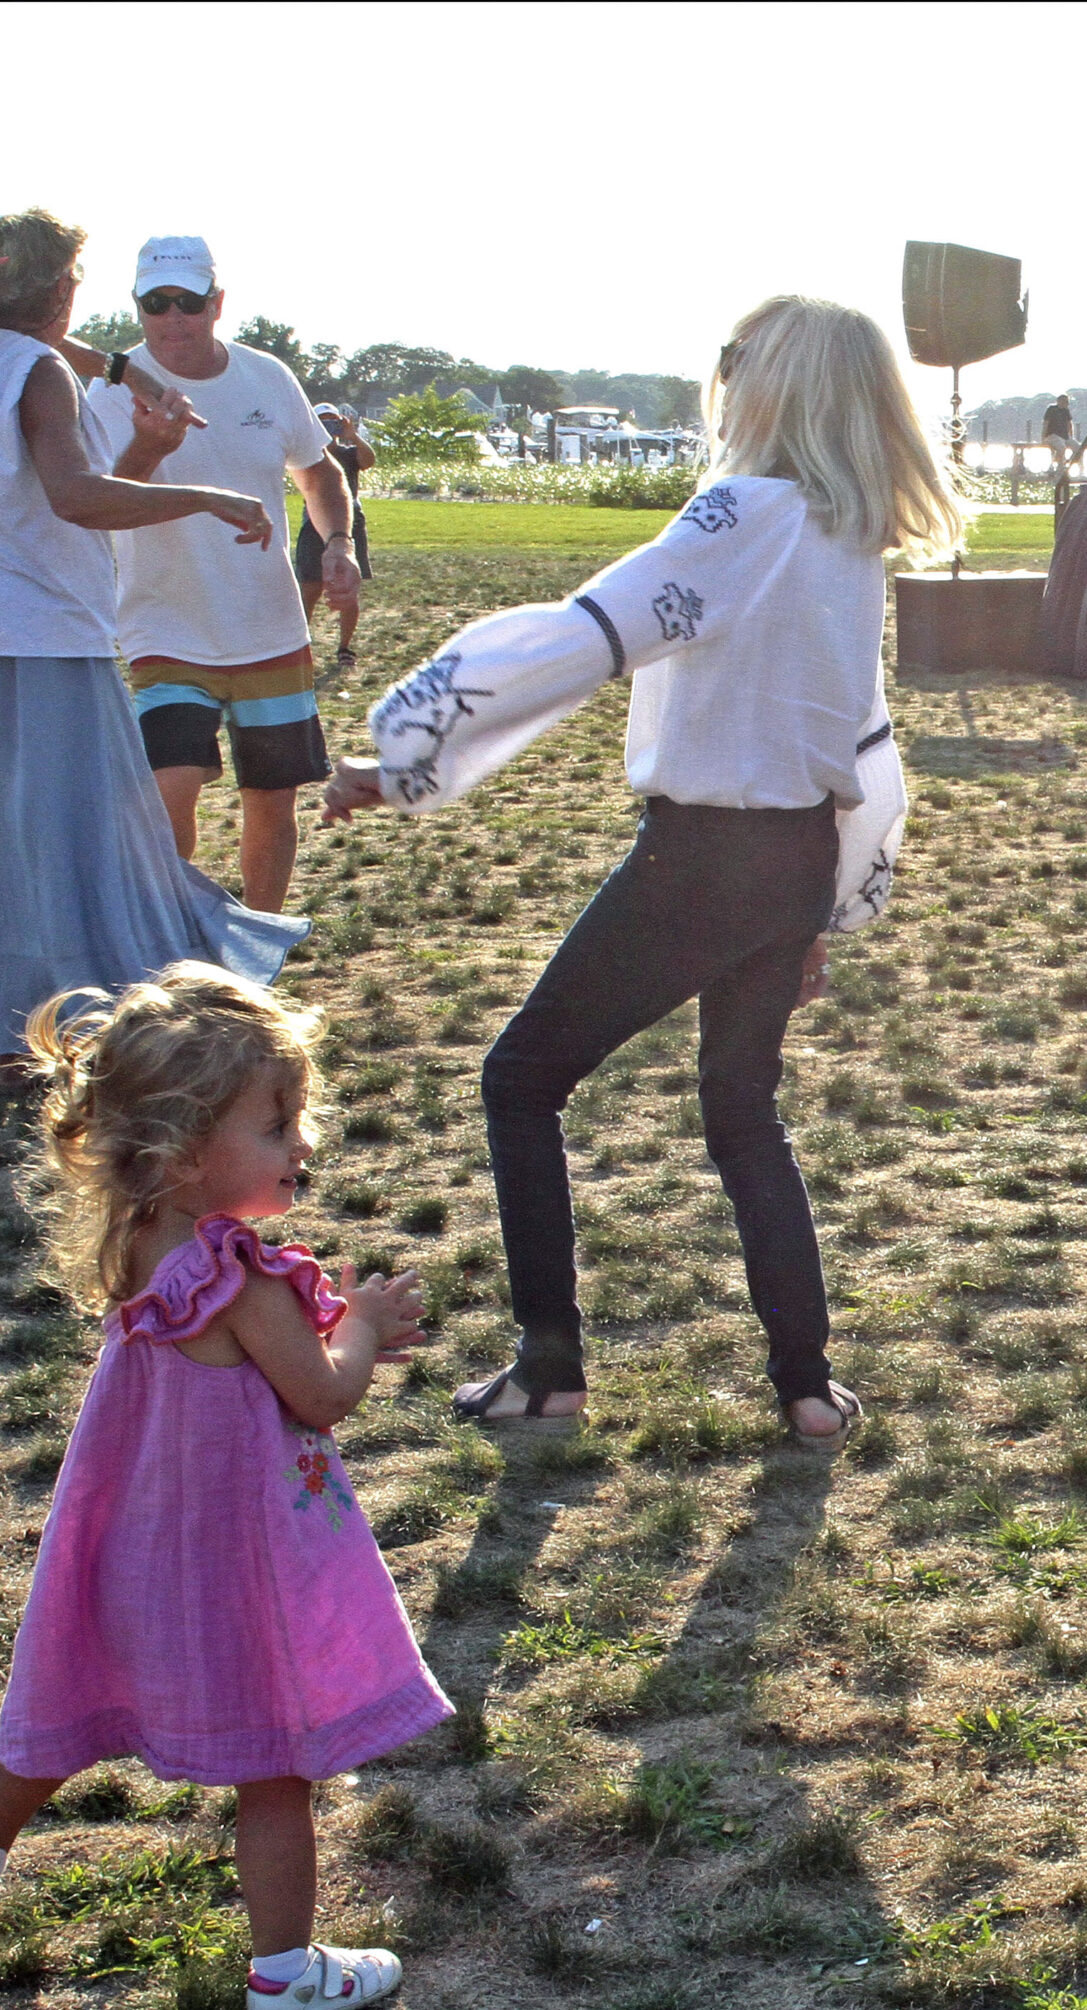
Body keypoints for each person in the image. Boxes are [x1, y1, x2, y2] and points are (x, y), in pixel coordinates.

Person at [322, 294, 955, 1442]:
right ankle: (808, 1388)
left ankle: (549, 1366)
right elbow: (861, 740)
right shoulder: (847, 538)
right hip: (796, 850)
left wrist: (408, 752)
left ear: (773, 384)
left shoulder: (742, 513)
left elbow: (589, 635)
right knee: (741, 1113)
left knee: (520, 1081)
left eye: (735, 359)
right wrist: (821, 903)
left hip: (702, 858)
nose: (722, 375)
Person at [0, 963, 446, 2010]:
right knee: (280, 1757)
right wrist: (368, 1325)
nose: (303, 1142)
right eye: (276, 1123)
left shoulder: (147, 1239)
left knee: (61, 1696)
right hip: (239, 1559)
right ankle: (286, 1976)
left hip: (138, 1537)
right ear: (187, 1154)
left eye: (300, 1115)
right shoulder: (238, 1280)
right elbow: (321, 1394)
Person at [0, 211, 309, 1080]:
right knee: (93, 840)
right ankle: (115, 1020)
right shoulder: (43, 377)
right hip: (44, 645)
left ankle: (12, 1037)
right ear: (63, 289)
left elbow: (64, 363)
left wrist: (132, 375)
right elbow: (78, 497)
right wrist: (204, 495)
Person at [84, 238, 362, 915]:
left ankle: (257, 946)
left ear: (217, 303)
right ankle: (173, 935)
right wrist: (150, 445)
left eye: (188, 302)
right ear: (138, 306)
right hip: (163, 627)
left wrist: (339, 543)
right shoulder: (109, 390)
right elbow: (97, 502)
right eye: (156, 303)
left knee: (272, 796)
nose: (172, 318)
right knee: (168, 789)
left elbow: (319, 471)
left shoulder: (266, 377)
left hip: (269, 626)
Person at [295, 402, 375, 669]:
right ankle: (301, 645)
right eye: (322, 422)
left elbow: (369, 461)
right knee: (310, 586)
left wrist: (352, 435)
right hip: (313, 524)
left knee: (348, 587)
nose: (328, 427)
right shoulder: (309, 454)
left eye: (332, 422)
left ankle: (345, 647)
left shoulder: (349, 452)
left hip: (350, 523)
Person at [1042, 391, 1075, 471]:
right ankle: (1058, 466)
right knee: (1061, 447)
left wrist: (1071, 436)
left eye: (1067, 402)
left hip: (1064, 436)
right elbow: (1046, 423)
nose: (1067, 403)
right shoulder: (1051, 409)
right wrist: (1043, 437)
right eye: (1065, 401)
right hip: (1052, 435)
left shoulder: (1066, 411)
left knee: (1078, 448)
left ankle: (1066, 463)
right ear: (1059, 401)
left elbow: (1069, 424)